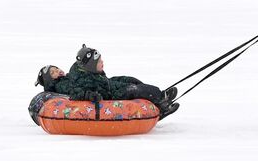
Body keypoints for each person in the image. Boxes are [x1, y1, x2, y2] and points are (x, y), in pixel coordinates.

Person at [44, 47, 179, 118]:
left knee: (129, 79)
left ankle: (157, 97)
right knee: (132, 89)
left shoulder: (76, 72)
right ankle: (161, 101)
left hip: (105, 83)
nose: (58, 72)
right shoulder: (64, 84)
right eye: (53, 73)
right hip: (109, 94)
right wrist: (88, 95)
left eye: (56, 69)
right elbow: (74, 92)